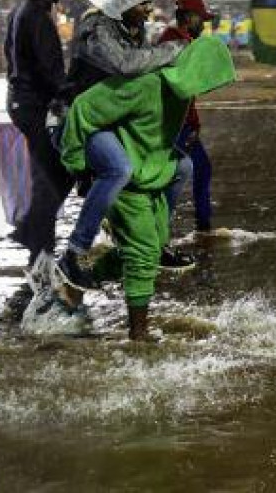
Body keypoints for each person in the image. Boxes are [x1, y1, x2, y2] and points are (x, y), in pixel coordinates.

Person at [60, 36, 236, 339]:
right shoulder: (146, 84)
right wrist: (77, 166)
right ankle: (138, 335)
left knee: (150, 250)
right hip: (126, 181)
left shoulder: (180, 94)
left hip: (152, 175)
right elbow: (83, 109)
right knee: (143, 253)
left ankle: (76, 286)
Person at [54, 0, 191, 297]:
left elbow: (146, 73)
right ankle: (74, 253)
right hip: (79, 121)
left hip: (114, 122)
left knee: (182, 166)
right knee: (120, 169)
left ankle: (158, 239)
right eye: (143, 3)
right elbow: (127, 66)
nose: (149, 10)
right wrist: (174, 50)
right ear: (121, 2)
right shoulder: (94, 28)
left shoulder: (132, 30)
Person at [4, 0, 73, 264]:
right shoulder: (38, 16)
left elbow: (10, 52)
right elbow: (50, 70)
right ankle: (38, 244)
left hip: (20, 100)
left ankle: (32, 230)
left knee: (46, 169)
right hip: (32, 104)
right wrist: (69, 93)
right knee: (54, 170)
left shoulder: (21, 10)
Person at [158, 0, 216, 232]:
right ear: (189, 18)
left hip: (182, 124)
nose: (203, 24)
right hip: (176, 125)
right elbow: (180, 91)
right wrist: (191, 126)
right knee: (192, 169)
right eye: (201, 19)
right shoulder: (176, 41)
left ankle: (172, 227)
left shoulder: (178, 40)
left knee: (191, 169)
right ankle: (198, 227)